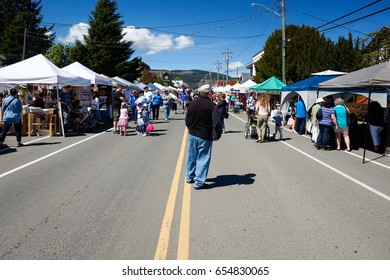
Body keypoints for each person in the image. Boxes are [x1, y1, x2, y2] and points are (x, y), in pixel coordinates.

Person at [185, 90, 222, 190]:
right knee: (203, 159)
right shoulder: (211, 106)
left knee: (191, 156)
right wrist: (217, 134)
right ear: (208, 93)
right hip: (205, 135)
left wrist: (190, 127)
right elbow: (217, 122)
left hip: (193, 133)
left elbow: (187, 118)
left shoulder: (193, 103)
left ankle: (189, 176)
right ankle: (199, 182)